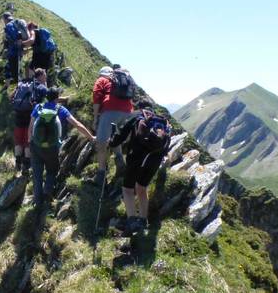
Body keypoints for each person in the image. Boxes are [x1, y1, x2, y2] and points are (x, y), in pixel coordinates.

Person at [109, 102, 171, 235]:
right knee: (142, 187)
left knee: (127, 189)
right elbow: (166, 146)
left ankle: (132, 222)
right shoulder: (162, 124)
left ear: (140, 107)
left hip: (136, 158)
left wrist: (112, 141)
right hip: (154, 160)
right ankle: (143, 221)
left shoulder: (136, 116)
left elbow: (120, 136)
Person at [28, 87, 95, 208]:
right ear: (57, 98)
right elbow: (77, 124)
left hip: (36, 146)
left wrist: (30, 140)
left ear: (46, 97)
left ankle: (37, 202)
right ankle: (47, 195)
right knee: (52, 170)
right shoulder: (61, 109)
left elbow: (31, 124)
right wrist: (91, 137)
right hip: (52, 148)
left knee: (37, 174)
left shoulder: (38, 107)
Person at [91, 66, 134, 185]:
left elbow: (96, 97)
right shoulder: (122, 81)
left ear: (101, 74)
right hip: (128, 113)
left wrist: (95, 118)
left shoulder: (102, 80)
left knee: (101, 143)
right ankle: (120, 162)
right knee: (116, 137)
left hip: (111, 111)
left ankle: (101, 175)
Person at [10, 68, 49, 175]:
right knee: (28, 139)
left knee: (19, 139)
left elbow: (11, 97)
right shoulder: (40, 86)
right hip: (30, 115)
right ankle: (26, 166)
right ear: (40, 76)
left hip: (18, 113)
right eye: (45, 75)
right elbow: (53, 97)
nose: (45, 77)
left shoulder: (23, 83)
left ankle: (18, 162)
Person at [1, 12, 30, 88]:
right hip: (18, 51)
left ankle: (20, 90)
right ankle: (7, 86)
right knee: (8, 68)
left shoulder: (8, 25)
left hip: (14, 52)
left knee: (16, 73)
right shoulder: (15, 23)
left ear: (4, 19)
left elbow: (15, 38)